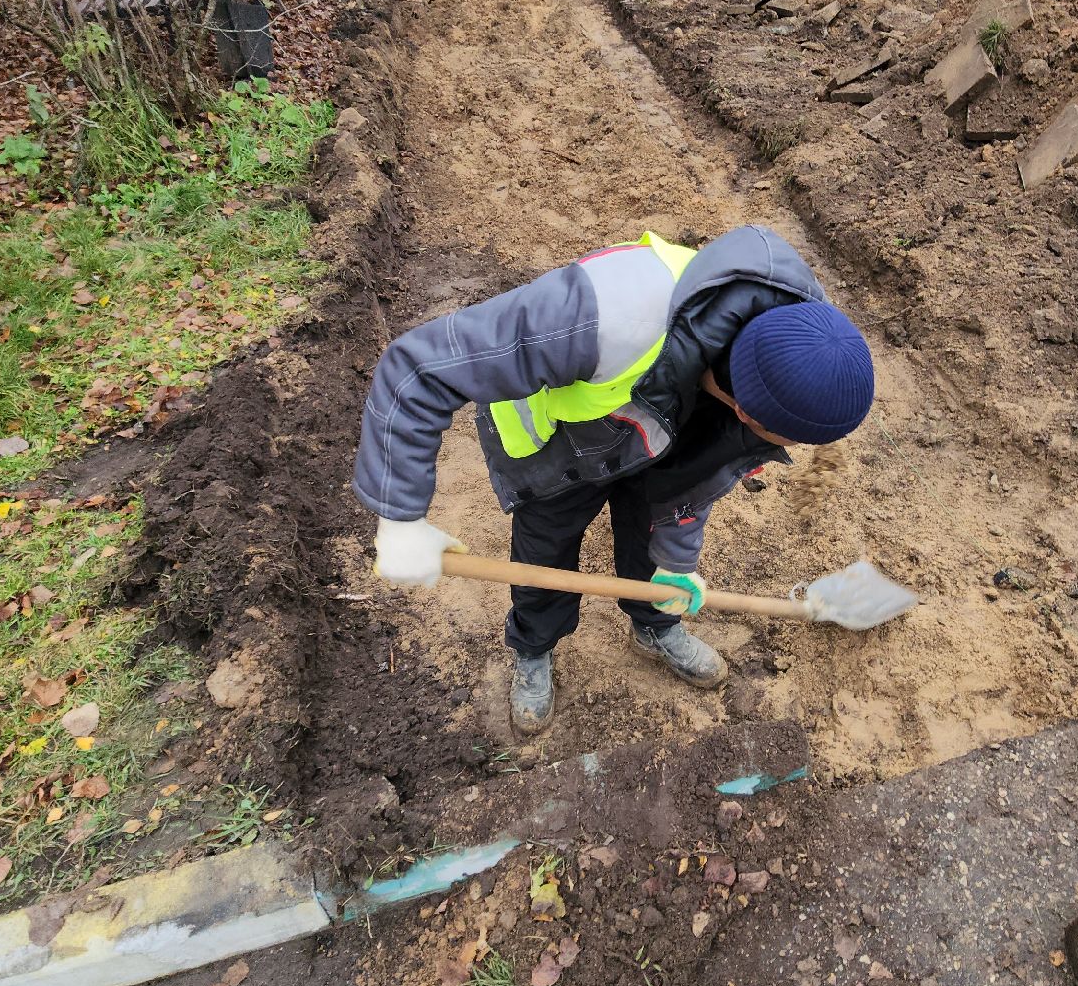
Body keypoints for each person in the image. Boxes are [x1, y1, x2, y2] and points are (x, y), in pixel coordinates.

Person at [351, 226, 875, 735]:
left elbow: (695, 485)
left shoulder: (808, 343)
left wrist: (677, 568)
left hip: (654, 428)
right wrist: (400, 519)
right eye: (784, 440)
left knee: (651, 531)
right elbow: (418, 369)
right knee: (545, 552)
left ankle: (654, 623)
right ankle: (535, 648)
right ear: (743, 410)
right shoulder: (602, 314)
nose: (790, 450)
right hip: (556, 447)